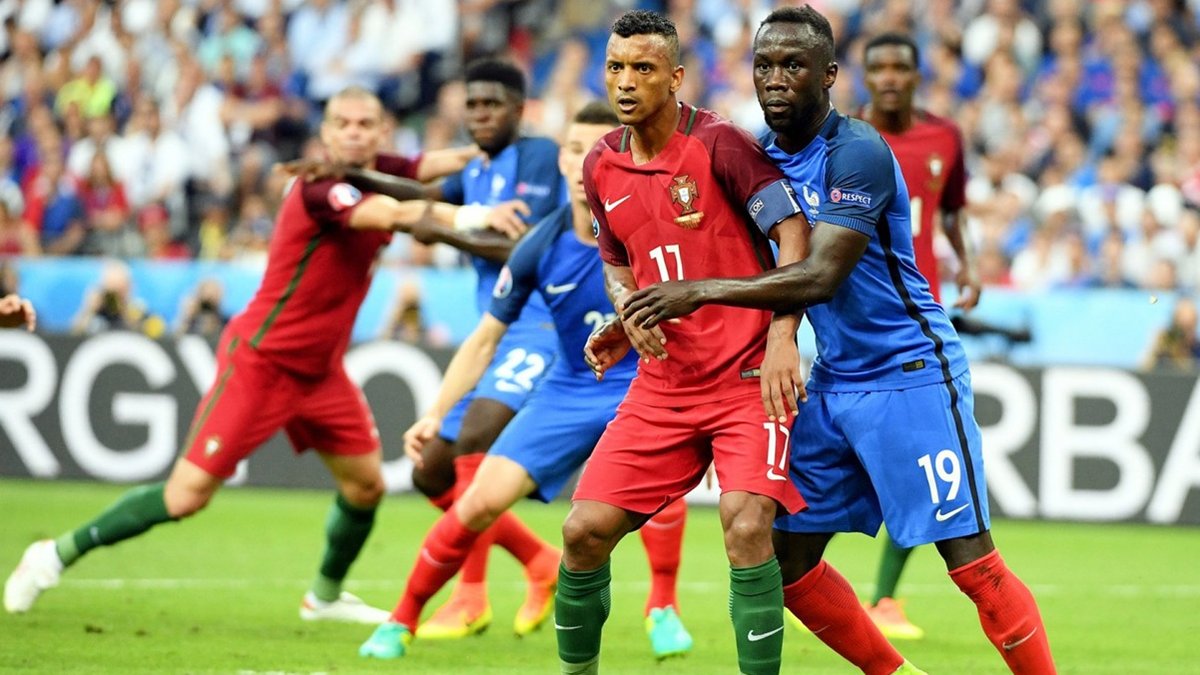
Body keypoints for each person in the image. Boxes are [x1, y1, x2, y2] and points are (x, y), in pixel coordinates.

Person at [621, 7, 1057, 674]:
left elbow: (821, 274)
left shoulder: (857, 151)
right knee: (786, 559)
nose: (775, 78)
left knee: (971, 563)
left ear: (828, 75)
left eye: (793, 65)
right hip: (833, 384)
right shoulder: (756, 159)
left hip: (911, 373)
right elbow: (739, 263)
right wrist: (641, 313)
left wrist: (696, 292)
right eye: (764, 65)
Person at [3, 87, 437, 621]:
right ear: (325, 133)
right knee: (185, 496)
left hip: (321, 372)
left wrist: (501, 157)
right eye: (342, 123)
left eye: (365, 123)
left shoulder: (381, 172)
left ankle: (323, 598)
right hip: (263, 361)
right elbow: (393, 213)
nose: (353, 131)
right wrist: (466, 219)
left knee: (366, 485)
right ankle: (53, 555)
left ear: (382, 132)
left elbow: (439, 163)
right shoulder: (319, 186)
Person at [554, 11, 862, 675]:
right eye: (615, 67)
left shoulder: (720, 144)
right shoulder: (601, 163)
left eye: (642, 68)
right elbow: (616, 260)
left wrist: (783, 336)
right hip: (663, 385)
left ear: (674, 77)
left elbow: (794, 235)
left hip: (746, 379)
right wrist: (627, 314)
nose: (626, 82)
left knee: (748, 525)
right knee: (582, 532)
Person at [358, 101, 693, 662]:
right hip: (569, 386)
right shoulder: (540, 244)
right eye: (573, 149)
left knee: (659, 489)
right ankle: (402, 619)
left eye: (598, 149)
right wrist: (435, 414)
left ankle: (663, 606)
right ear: (561, 161)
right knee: (478, 501)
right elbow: (484, 339)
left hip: (645, 383)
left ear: (623, 158)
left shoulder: (656, 231)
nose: (584, 162)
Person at [378, 58, 567, 640]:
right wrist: (352, 176)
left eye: (493, 104)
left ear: (518, 109)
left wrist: (444, 229)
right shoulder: (476, 172)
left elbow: (524, 248)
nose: (481, 115)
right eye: (473, 105)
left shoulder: (537, 157)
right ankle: (540, 561)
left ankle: (469, 597)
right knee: (432, 471)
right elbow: (420, 196)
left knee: (476, 437)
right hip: (495, 330)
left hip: (541, 323)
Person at [855, 31, 981, 641]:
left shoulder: (944, 137)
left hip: (916, 320)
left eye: (899, 67)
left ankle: (881, 599)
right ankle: (802, 580)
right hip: (845, 316)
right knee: (837, 456)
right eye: (877, 67)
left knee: (920, 457)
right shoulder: (842, 137)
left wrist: (968, 264)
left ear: (915, 75)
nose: (888, 77)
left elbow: (951, 209)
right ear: (861, 76)